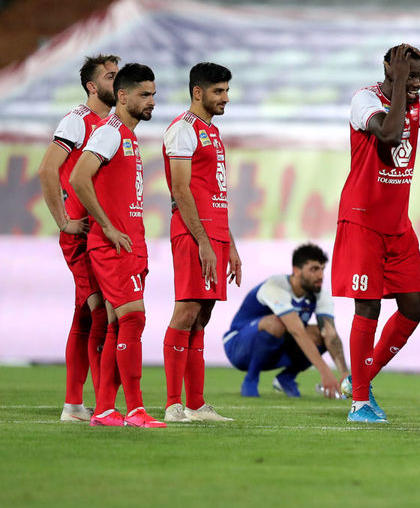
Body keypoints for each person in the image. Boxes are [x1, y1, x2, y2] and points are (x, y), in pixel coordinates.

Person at [332, 44, 420, 423]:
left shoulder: (416, 101)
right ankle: (359, 403)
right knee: (368, 305)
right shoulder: (364, 100)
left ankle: (360, 378)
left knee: (414, 305)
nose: (415, 82)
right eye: (409, 73)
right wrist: (404, 82)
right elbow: (388, 135)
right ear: (388, 67)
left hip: (397, 225)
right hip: (363, 219)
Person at [68, 63, 164, 428]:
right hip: (113, 245)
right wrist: (107, 226)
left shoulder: (127, 134)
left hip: (130, 242)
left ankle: (106, 408)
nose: (151, 101)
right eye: (144, 95)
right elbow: (78, 177)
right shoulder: (110, 133)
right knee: (133, 318)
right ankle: (136, 409)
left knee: (115, 324)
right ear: (122, 96)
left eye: (153, 94)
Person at [36, 54, 118, 422]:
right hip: (82, 233)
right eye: (110, 76)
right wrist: (63, 221)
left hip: (101, 231)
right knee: (99, 311)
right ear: (91, 85)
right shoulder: (77, 121)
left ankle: (77, 404)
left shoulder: (111, 124)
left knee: (86, 314)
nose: (117, 82)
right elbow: (47, 168)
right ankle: (100, 405)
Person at [161, 62, 241, 423]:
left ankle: (195, 404)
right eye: (218, 91)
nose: (226, 97)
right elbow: (181, 189)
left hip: (216, 234)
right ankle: (173, 404)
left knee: (202, 317)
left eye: (226, 90)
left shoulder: (213, 132)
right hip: (194, 234)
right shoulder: (183, 130)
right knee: (187, 311)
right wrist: (204, 241)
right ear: (198, 92)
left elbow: (215, 192)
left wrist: (230, 245)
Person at [222, 243, 347, 398]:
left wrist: (344, 374)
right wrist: (325, 371)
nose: (320, 275)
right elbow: (296, 330)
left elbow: (331, 335)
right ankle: (251, 380)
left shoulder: (320, 293)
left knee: (322, 333)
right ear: (296, 270)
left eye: (322, 269)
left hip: (275, 350)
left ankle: (286, 378)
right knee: (277, 323)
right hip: (238, 347)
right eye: (314, 269)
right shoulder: (275, 286)